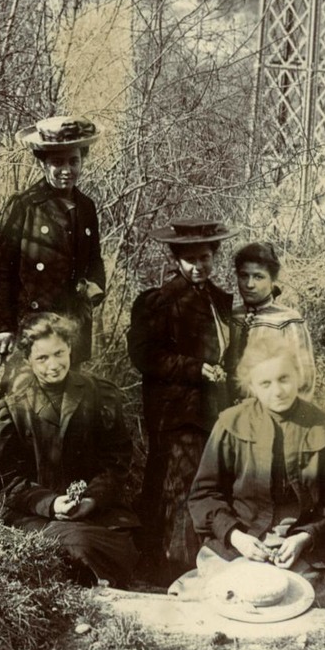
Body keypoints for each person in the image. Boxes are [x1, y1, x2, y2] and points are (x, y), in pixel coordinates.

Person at [188, 328, 325, 598]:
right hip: (239, 542)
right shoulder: (231, 424)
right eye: (265, 384)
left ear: (298, 376)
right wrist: (234, 536)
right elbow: (203, 495)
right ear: (251, 387)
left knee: (290, 598)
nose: (277, 391)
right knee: (231, 595)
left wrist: (305, 538)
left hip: (299, 548)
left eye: (284, 379)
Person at [0, 312, 141, 588]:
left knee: (121, 541)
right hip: (36, 515)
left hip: (96, 511)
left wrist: (92, 498)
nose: (53, 365)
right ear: (28, 359)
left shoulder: (97, 394)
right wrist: (51, 503)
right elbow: (6, 483)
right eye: (42, 358)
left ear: (70, 349)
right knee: (77, 544)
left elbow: (116, 462)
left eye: (59, 353)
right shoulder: (12, 408)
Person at [127, 216, 235, 581]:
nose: (199, 265)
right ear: (176, 260)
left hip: (213, 407)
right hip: (175, 412)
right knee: (176, 485)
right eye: (191, 259)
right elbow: (145, 356)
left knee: (206, 484)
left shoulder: (219, 300)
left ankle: (197, 565)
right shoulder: (160, 302)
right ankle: (163, 568)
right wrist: (196, 368)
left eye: (205, 257)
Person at [0, 116, 106, 395]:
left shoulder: (86, 207)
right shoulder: (25, 206)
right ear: (43, 163)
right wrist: (2, 326)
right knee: (24, 406)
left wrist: (95, 287)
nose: (66, 170)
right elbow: (1, 270)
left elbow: (94, 261)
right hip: (31, 327)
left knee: (68, 408)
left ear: (82, 160)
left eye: (73, 161)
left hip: (72, 327)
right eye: (58, 162)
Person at [224, 242, 315, 411]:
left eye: (258, 277)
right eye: (244, 276)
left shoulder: (288, 320)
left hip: (273, 415)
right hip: (230, 414)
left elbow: (305, 380)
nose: (249, 284)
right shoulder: (230, 316)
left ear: (273, 280)